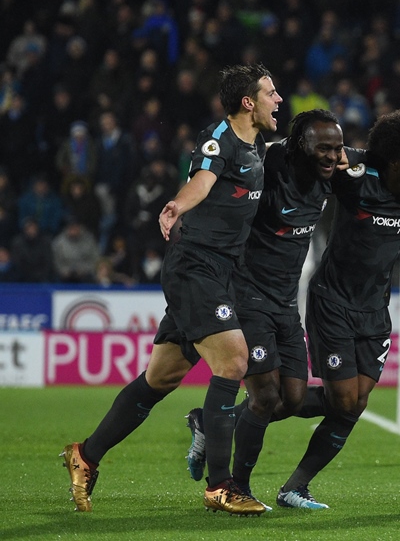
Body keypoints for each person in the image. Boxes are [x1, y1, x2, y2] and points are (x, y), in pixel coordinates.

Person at [61, 63, 283, 515]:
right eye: (271, 93)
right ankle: (221, 485)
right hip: (196, 268)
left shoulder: (257, 143)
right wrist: (176, 206)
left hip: (219, 272)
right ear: (248, 102)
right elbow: (200, 180)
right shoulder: (218, 139)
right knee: (234, 360)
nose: (278, 99)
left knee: (159, 378)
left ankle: (85, 455)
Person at [181, 109, 348, 504]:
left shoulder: (332, 173)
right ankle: (236, 484)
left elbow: (361, 156)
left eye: (336, 148)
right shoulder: (271, 163)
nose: (331, 156)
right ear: (298, 146)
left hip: (286, 302)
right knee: (264, 397)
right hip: (247, 294)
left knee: (291, 398)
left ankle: (209, 422)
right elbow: (232, 164)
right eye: (322, 148)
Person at [273, 110, 400, 508]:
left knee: (354, 402)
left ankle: (293, 486)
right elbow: (316, 156)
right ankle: (234, 423)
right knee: (345, 401)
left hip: (375, 310)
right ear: (394, 160)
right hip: (333, 302)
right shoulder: (358, 180)